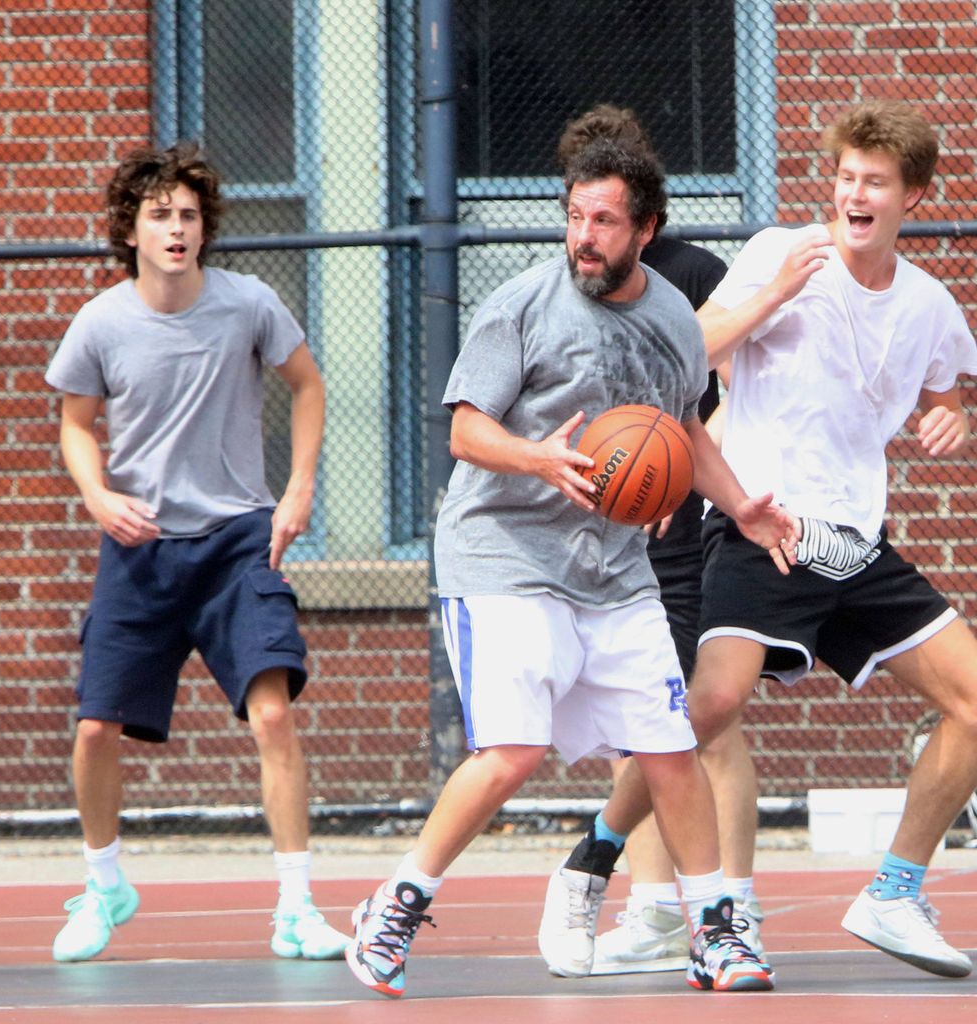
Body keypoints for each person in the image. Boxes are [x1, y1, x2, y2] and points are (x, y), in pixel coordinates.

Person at [343, 121, 799, 1000]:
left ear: (646, 230)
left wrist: (741, 505)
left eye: (603, 221)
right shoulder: (520, 304)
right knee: (512, 752)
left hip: (611, 565)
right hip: (504, 553)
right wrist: (541, 457)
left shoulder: (673, 315)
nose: (583, 237)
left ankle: (713, 930)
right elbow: (467, 429)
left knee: (668, 748)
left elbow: (682, 432)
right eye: (575, 216)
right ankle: (396, 904)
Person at [562, 99, 977, 980]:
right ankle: (596, 852)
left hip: (854, 540)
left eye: (876, 183)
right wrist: (776, 291)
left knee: (975, 702)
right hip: (762, 522)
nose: (855, 195)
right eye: (847, 178)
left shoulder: (930, 304)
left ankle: (896, 892)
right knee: (708, 708)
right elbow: (693, 350)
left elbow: (949, 386)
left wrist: (952, 417)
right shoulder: (777, 255)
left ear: (913, 196)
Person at [44, 142, 348, 964]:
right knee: (95, 729)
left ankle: (296, 906)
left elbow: (308, 384)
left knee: (274, 713)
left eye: (187, 216)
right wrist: (100, 497)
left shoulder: (248, 305)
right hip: (139, 549)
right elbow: (75, 425)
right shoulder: (102, 322)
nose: (176, 229)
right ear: (131, 231)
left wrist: (299, 489)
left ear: (204, 229)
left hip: (238, 541)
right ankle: (105, 885)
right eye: (159, 216)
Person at [555, 105, 766, 976]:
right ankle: (653, 909)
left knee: (701, 725)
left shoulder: (694, 277)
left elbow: (712, 399)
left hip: (684, 525)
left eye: (611, 202)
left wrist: (684, 475)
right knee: (638, 729)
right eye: (577, 204)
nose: (591, 226)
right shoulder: (571, 282)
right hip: (605, 533)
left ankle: (731, 904)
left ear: (647, 203)